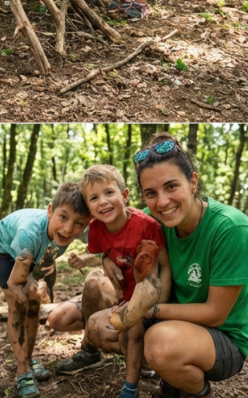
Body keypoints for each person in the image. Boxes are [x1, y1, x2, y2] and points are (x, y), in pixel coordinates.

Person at [134, 132, 248, 398]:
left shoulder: (230, 227)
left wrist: (148, 310)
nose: (162, 202)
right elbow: (116, 223)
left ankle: (197, 391)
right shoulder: (150, 223)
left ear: (193, 182)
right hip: (174, 324)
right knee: (103, 327)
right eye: (151, 193)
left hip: (224, 340)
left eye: (171, 187)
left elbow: (215, 314)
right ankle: (172, 376)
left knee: (158, 343)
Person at [56, 165, 171, 398]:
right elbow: (109, 252)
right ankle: (97, 353)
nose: (103, 202)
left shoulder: (146, 225)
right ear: (88, 207)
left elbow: (165, 267)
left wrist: (158, 309)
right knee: (94, 302)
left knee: (133, 327)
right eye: (94, 198)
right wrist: (100, 259)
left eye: (109, 193)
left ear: (125, 195)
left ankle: (131, 387)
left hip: (146, 300)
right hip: (122, 298)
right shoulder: (96, 228)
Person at [0, 183, 90, 397]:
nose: (68, 229)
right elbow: (16, 284)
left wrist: (36, 282)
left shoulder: (67, 235)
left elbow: (40, 269)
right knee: (18, 303)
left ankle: (27, 355)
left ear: (86, 224)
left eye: (78, 223)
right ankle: (22, 369)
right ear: (50, 210)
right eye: (62, 217)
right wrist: (28, 284)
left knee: (34, 302)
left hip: (34, 252)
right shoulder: (29, 234)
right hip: (6, 249)